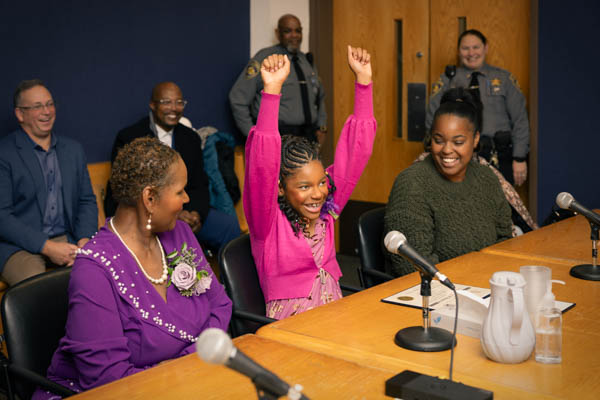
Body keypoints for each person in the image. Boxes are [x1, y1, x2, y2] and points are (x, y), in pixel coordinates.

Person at [33, 137, 232, 399]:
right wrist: (186, 367)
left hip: (191, 381)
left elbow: (221, 305)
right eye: (179, 191)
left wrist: (186, 363)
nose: (186, 199)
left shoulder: (180, 233)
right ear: (149, 198)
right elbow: (108, 382)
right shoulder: (93, 271)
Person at [244, 46, 376, 320]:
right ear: (280, 187)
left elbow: (356, 153)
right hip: (292, 327)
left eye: (321, 183)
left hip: (335, 315)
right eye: (304, 187)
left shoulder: (328, 208)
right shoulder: (266, 223)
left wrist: (363, 83)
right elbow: (262, 166)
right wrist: (272, 91)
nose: (317, 194)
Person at [385, 88, 513, 277]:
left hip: (488, 285)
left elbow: (505, 242)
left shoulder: (487, 177)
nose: (447, 150)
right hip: (440, 294)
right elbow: (413, 267)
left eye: (458, 142)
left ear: (475, 139)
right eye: (439, 140)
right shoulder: (412, 183)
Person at [104, 82, 240, 251]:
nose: (174, 108)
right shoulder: (130, 137)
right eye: (166, 102)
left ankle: (225, 277)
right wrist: (171, 213)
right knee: (168, 237)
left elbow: (199, 184)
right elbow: (125, 190)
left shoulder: (191, 138)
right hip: (147, 215)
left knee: (228, 225)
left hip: (186, 209)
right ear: (152, 105)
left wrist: (195, 213)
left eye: (179, 102)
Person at [0, 79, 97, 286]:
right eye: (37, 106)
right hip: (19, 246)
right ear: (20, 114)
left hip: (68, 239)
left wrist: (84, 240)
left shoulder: (73, 150)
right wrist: (46, 247)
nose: (46, 112)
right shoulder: (4, 154)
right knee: (37, 289)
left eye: (49, 104)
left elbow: (86, 201)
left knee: (97, 274)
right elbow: (2, 217)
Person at [426, 29, 530, 186]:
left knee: (499, 205)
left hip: (498, 156)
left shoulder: (503, 79)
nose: (471, 53)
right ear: (458, 51)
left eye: (476, 47)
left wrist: (519, 157)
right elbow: (432, 117)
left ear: (486, 48)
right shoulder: (448, 80)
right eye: (465, 48)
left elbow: (520, 119)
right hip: (458, 157)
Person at [229, 14, 327, 144]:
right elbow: (237, 98)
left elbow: (320, 98)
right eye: (288, 31)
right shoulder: (266, 58)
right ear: (278, 33)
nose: (294, 35)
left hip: (307, 137)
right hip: (278, 137)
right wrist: (253, 136)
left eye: (298, 31)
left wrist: (321, 126)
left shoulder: (307, 61)